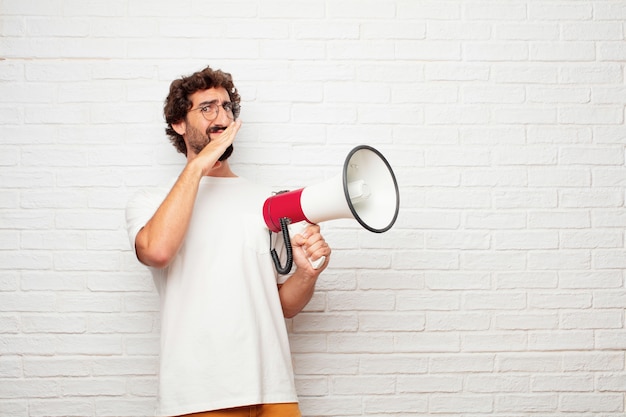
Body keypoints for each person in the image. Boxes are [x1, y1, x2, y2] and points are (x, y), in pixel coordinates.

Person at [126, 66, 331, 417]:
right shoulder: (150, 202)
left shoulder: (269, 201)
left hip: (274, 391)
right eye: (206, 107)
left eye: (226, 107)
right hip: (199, 395)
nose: (221, 115)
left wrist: (306, 274)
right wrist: (198, 166)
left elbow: (284, 307)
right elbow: (157, 252)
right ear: (178, 123)